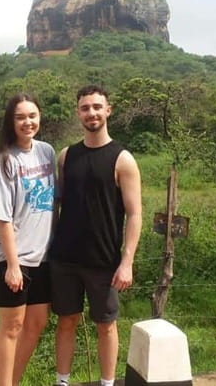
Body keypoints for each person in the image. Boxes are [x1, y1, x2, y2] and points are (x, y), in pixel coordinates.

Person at [49, 85, 142, 386]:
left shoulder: (122, 159)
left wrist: (126, 262)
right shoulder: (66, 156)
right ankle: (62, 381)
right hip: (64, 259)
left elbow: (135, 214)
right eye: (85, 107)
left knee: (106, 325)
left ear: (108, 110)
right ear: (78, 112)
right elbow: (56, 205)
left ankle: (107, 383)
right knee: (66, 322)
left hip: (104, 261)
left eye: (97, 107)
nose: (92, 113)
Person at [0, 93, 57, 386]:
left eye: (32, 116)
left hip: (42, 256)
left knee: (37, 323)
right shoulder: (4, 161)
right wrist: (13, 266)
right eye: (20, 117)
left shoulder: (46, 152)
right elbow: (2, 218)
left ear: (39, 117)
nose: (27, 122)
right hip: (12, 257)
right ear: (10, 122)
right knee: (11, 326)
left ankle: (13, 381)